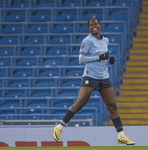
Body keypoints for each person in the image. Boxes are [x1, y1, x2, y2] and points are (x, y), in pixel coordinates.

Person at [53, 17, 135, 145]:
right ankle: (60, 126)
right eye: (91, 25)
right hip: (90, 76)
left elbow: (103, 58)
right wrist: (99, 57)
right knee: (80, 103)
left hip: (104, 77)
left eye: (95, 23)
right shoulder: (87, 41)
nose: (94, 26)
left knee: (112, 106)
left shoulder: (105, 40)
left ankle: (121, 135)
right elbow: (81, 59)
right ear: (89, 28)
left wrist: (109, 60)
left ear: (100, 25)